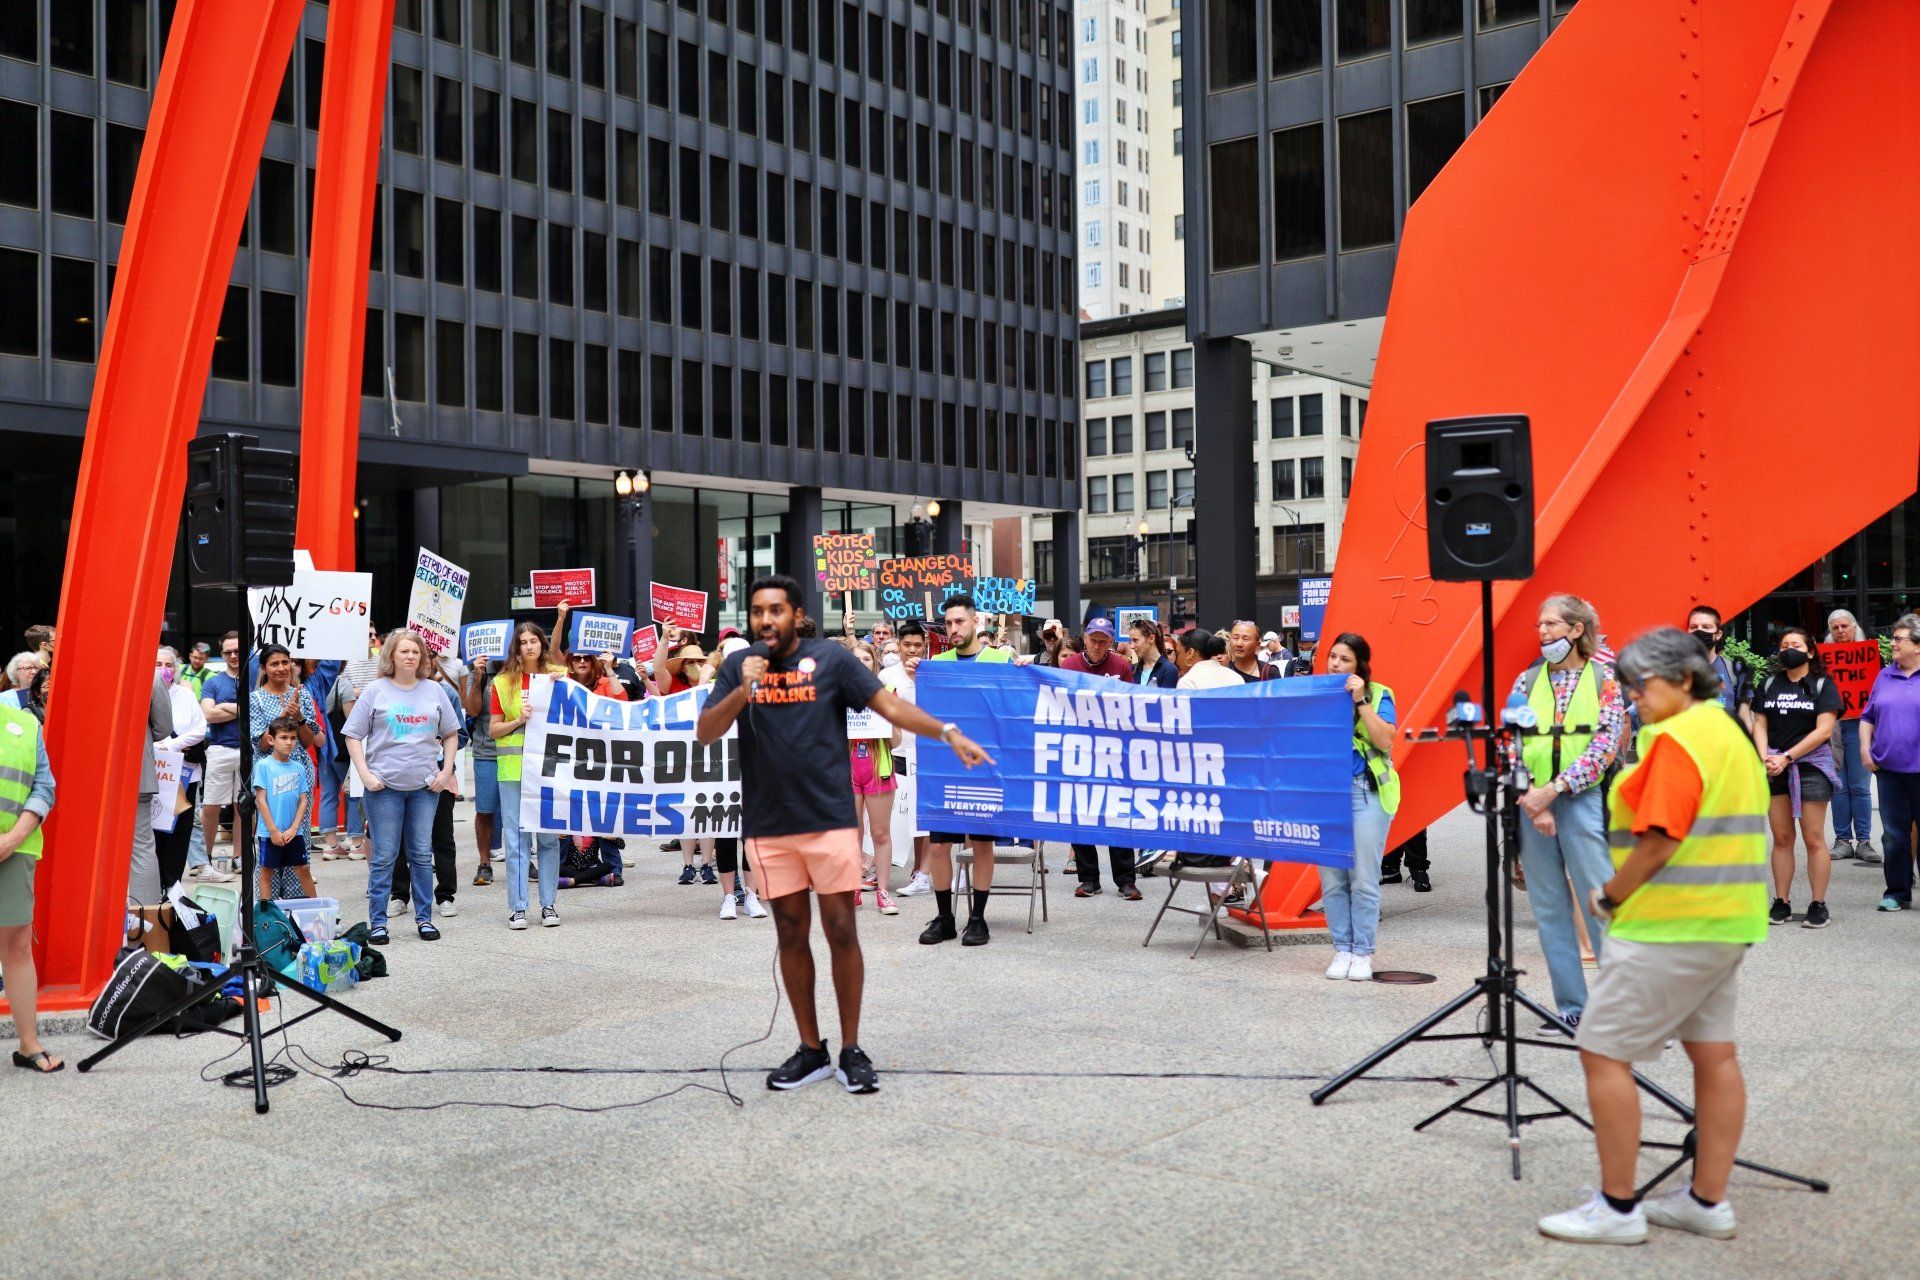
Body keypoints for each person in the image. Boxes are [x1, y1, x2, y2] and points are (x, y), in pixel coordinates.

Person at [697, 575, 991, 1094]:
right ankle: (811, 1049)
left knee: (840, 930)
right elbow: (706, 731)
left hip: (830, 819)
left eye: (776, 610)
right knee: (791, 933)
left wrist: (945, 731)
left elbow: (890, 706)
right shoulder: (740, 668)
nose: (766, 619)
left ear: (796, 613)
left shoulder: (830, 661)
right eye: (758, 611)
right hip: (769, 824)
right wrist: (743, 690)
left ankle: (852, 1048)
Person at [1537, 628, 1769, 1246]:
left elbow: (1660, 839)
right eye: (1627, 684)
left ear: (1684, 680)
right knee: (1714, 1053)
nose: (1632, 695)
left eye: (1643, 684)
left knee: (1602, 1050)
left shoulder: (1674, 739)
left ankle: (1616, 1209)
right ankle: (1706, 1201)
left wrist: (1611, 894)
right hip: (1728, 920)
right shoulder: (1728, 733)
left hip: (1671, 924)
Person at [1511, 593, 1628, 1031]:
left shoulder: (1604, 680)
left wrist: (1555, 791)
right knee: (1549, 908)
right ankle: (1571, 1007)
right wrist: (1532, 797)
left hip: (1579, 801)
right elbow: (1509, 740)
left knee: (1599, 901)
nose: (1542, 633)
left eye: (1551, 625)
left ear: (1577, 630)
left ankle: (1620, 1007)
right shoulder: (1526, 681)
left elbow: (1605, 745)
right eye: (1539, 626)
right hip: (1532, 807)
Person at [343, 629, 462, 944]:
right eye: (404, 651)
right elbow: (352, 735)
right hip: (384, 790)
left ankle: (424, 919)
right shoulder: (374, 690)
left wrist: (445, 771)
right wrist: (365, 775)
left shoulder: (434, 691)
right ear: (391, 655)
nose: (411, 656)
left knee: (422, 854)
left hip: (424, 788)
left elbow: (451, 733)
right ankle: (378, 922)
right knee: (384, 856)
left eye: (416, 651)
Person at [922, 593, 1018, 945]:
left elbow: (1014, 708)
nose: (953, 628)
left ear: (976, 622)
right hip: (945, 769)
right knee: (937, 847)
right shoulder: (939, 662)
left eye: (959, 621)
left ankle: (977, 919)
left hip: (983, 769)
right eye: (948, 623)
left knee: (981, 844)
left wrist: (1023, 671)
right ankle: (945, 918)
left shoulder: (999, 660)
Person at [1750, 627, 1840, 928]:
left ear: (1810, 651)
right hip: (1773, 767)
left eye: (1796, 644)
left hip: (1811, 768)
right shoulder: (1769, 683)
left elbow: (1824, 730)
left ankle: (1818, 903)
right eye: (1784, 644)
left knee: (1814, 839)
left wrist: (1788, 757)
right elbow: (1759, 723)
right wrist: (1766, 757)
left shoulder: (1822, 684)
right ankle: (1782, 902)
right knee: (1782, 838)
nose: (1789, 649)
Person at [1321, 633, 1397, 982]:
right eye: (1333, 657)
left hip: (1365, 792)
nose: (1336, 664)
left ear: (1360, 665)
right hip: (1326, 796)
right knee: (1333, 880)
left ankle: (1363, 952)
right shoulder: (1319, 693)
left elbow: (1384, 740)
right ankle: (1342, 949)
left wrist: (1361, 701)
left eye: (1344, 659)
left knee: (1364, 877)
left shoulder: (1380, 694)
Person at [489, 618, 568, 928]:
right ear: (517, 648)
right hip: (513, 772)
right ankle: (518, 907)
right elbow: (494, 729)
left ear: (541, 644)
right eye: (523, 642)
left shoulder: (558, 677)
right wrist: (518, 721)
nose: (529, 645)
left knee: (548, 839)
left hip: (549, 771)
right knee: (516, 839)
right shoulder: (502, 682)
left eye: (534, 640)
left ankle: (549, 905)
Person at [1063, 618, 1143, 901]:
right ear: (1084, 639)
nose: (1097, 646)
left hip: (1114, 750)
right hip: (1080, 749)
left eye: (1103, 641)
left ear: (1111, 641)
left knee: (1118, 814)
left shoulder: (1121, 666)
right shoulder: (1069, 665)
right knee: (1081, 813)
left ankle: (1125, 880)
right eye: (1093, 640)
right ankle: (1088, 878)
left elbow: (1133, 703)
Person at [0, 692, 58, 1073]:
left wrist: (12, 838)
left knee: (17, 944)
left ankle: (28, 1044)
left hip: (12, 850)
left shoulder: (25, 725)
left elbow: (44, 786)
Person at [1861, 613, 1920, 912]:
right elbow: (1867, 716)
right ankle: (1897, 893)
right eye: (1893, 638)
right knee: (1894, 834)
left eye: (1899, 639)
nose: (1893, 644)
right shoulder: (1884, 674)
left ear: (1918, 646)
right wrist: (1864, 748)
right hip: (1889, 770)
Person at [846, 642, 901, 915]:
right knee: (850, 833)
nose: (861, 663)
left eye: (866, 658)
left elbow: (896, 740)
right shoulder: (837, 695)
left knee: (880, 832)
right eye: (855, 659)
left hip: (878, 768)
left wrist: (886, 719)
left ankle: (883, 891)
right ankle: (853, 886)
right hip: (847, 768)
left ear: (874, 663)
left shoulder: (887, 693)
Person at [1822, 608, 1878, 863]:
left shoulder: (1870, 658)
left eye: (1845, 626)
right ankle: (1843, 840)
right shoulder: (1822, 662)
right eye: (1835, 628)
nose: (1841, 631)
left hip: (1860, 726)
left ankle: (1864, 842)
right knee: (1839, 786)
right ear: (1830, 633)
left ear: (1855, 627)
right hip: (1832, 727)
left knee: (1860, 785)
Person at [884, 620, 935, 897]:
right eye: (907, 645)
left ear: (924, 646)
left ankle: (922, 871)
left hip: (927, 752)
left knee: (925, 815)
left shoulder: (934, 674)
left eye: (918, 645)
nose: (912, 650)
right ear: (898, 645)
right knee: (902, 814)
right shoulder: (886, 676)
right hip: (896, 754)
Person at [152, 646, 208, 890]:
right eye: (158, 665)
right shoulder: (142, 694)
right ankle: (152, 886)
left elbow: (199, 728)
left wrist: (171, 745)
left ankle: (172, 886)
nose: (164, 670)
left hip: (183, 775)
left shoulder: (185, 695)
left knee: (180, 830)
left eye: (168, 665)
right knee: (153, 831)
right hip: (152, 775)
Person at [252, 716, 316, 901]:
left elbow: (303, 800)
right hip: (269, 832)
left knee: (302, 868)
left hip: (293, 832)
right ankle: (266, 915)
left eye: (293, 738)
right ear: (271, 739)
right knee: (266, 872)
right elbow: (261, 800)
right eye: (284, 737)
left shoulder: (299, 767)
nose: (289, 742)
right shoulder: (263, 766)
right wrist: (273, 830)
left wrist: (295, 828)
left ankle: (316, 910)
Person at [125, 666, 175, 904]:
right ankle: (146, 922)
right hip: (136, 771)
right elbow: (163, 728)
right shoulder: (150, 676)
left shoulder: (84, 669)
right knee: (140, 847)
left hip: (90, 775)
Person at [198, 632, 244, 872]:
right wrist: (241, 708)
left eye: (237, 651)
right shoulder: (213, 682)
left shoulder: (254, 676)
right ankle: (203, 858)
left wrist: (224, 706)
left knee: (243, 806)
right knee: (211, 805)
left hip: (248, 749)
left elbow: (256, 709)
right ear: (222, 654)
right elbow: (208, 715)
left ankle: (239, 856)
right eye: (228, 652)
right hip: (219, 749)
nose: (233, 655)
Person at [460, 653, 502, 886]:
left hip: (520, 752)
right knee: (485, 810)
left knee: (519, 813)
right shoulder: (478, 671)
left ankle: (523, 859)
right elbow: (473, 710)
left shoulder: (524, 668)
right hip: (487, 752)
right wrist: (478, 675)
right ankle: (485, 863)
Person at [1685, 605, 1752, 729]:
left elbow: (1744, 716)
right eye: (1693, 627)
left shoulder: (1735, 670)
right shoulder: (1674, 672)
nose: (1699, 631)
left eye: (1706, 627)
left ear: (1718, 634)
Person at [1129, 619, 1180, 689]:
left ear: (1151, 638)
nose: (1131, 646)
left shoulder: (1169, 670)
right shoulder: (1133, 668)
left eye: (1135, 640)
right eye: (1130, 641)